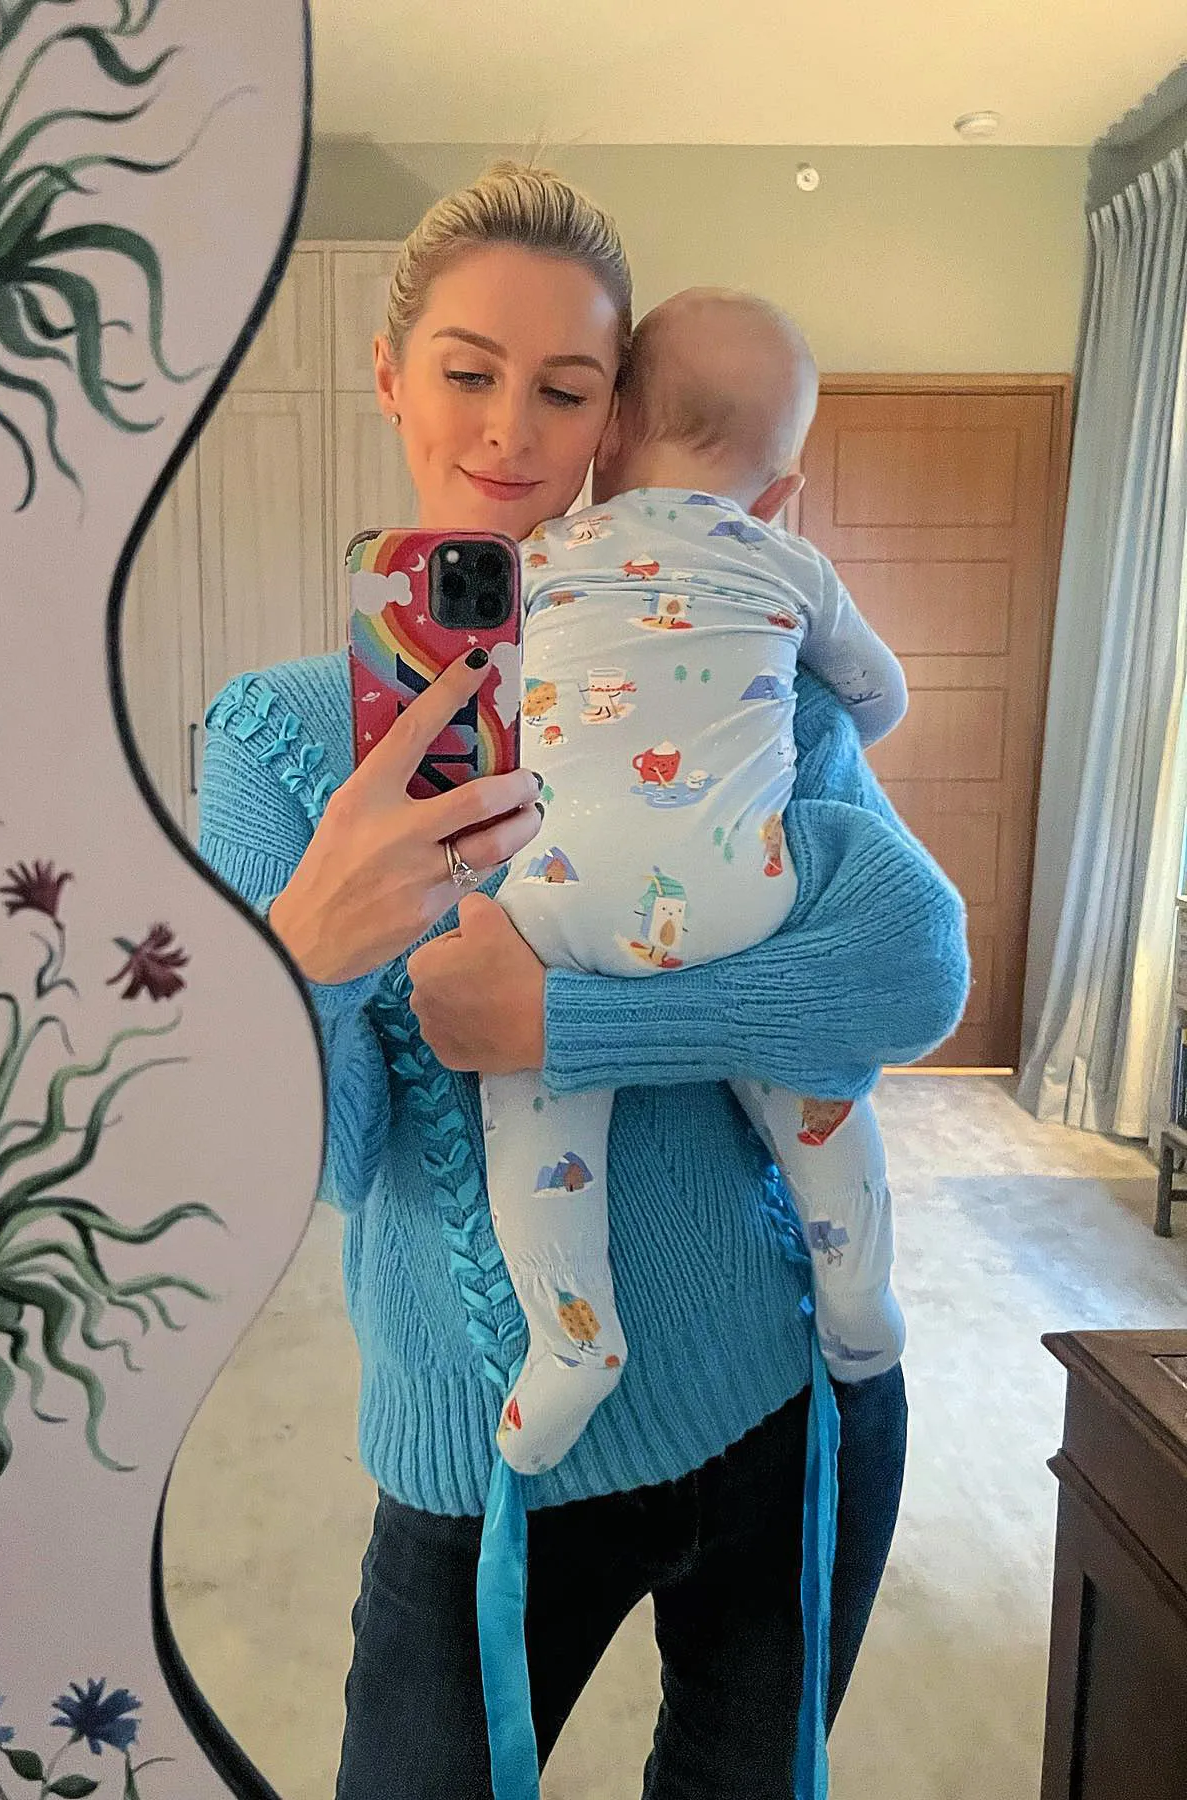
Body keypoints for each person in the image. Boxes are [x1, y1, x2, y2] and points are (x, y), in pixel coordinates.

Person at [196, 161, 969, 1798]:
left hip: (784, 1403)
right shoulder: (280, 739)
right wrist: (307, 951)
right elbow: (320, 1164)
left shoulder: (739, 664)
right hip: (484, 1455)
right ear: (391, 375)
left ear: (618, 417)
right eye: (467, 371)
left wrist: (572, 1023)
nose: (509, 432)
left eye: (565, 387)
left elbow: (909, 972)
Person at [483, 286, 912, 1481]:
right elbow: (880, 697)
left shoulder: (539, 557)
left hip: (561, 898)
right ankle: (857, 1291)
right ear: (781, 490)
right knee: (812, 1082)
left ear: (611, 430)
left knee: (534, 1104)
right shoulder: (787, 560)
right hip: (740, 894)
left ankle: (573, 1342)